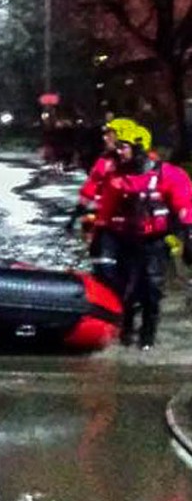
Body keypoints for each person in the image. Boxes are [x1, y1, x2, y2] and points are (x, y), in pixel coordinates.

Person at [94, 123, 192, 349]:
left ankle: (147, 338)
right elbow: (106, 211)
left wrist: (188, 236)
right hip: (125, 240)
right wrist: (100, 238)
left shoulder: (169, 175)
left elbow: (184, 207)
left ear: (138, 147)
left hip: (155, 241)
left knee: (151, 290)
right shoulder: (116, 177)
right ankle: (125, 332)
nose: (119, 151)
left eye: (123, 147)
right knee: (124, 291)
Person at [67, 118, 129, 265]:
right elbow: (91, 186)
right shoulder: (104, 162)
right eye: (106, 135)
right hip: (106, 216)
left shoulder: (144, 164)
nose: (106, 138)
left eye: (110, 135)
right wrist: (76, 214)